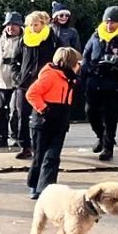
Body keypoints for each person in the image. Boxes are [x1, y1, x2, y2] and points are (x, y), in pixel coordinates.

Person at [80, 6, 118, 162]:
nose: (109, 25)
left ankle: (108, 146)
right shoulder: (95, 36)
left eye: (112, 22)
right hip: (94, 81)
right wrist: (90, 68)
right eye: (107, 22)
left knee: (110, 116)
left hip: (114, 84)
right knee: (90, 112)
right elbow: (85, 56)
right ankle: (101, 136)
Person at [25, 47, 81, 198]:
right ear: (70, 64)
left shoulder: (69, 78)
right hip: (43, 122)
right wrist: (44, 110)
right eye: (77, 63)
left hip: (60, 120)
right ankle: (35, 185)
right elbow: (31, 93)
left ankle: (46, 188)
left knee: (53, 156)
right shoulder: (51, 76)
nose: (79, 66)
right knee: (40, 156)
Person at [12, 10, 54, 160]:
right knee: (22, 115)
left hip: (45, 84)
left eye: (35, 25)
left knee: (43, 115)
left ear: (43, 24)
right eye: (30, 25)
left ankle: (42, 146)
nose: (32, 27)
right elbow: (14, 61)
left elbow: (59, 59)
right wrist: (17, 77)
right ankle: (25, 146)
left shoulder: (52, 38)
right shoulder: (24, 39)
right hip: (24, 84)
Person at [0, 11, 24, 148]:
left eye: (15, 24)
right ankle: (1, 137)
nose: (11, 27)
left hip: (18, 81)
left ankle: (15, 136)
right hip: (1, 80)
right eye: (9, 24)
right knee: (1, 111)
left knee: (15, 110)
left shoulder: (25, 39)